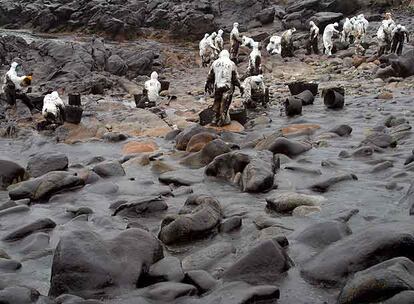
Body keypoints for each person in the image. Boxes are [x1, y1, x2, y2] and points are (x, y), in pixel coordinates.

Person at [205, 50, 243, 126]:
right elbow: (235, 78)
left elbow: (210, 76)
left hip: (218, 86)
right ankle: (222, 121)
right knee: (225, 104)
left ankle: (215, 119)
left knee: (217, 101)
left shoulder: (215, 63)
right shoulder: (231, 64)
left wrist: (207, 84)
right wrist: (240, 86)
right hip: (227, 87)